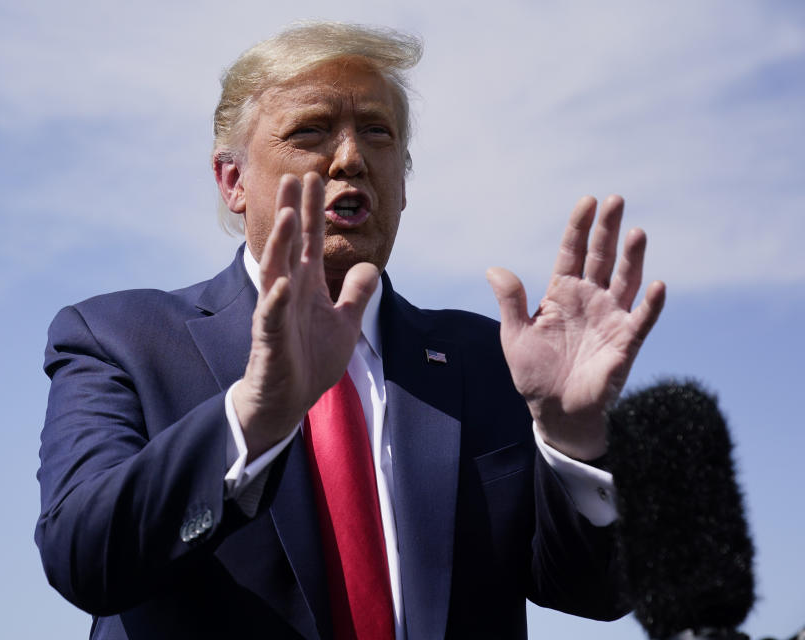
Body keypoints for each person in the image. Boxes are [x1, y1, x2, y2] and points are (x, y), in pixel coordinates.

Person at [35, 21, 665, 640]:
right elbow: (83, 557)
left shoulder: (494, 358)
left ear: (403, 182)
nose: (351, 158)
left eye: (377, 132)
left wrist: (574, 441)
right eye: (310, 131)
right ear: (233, 181)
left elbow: (597, 592)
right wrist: (251, 420)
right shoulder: (118, 338)